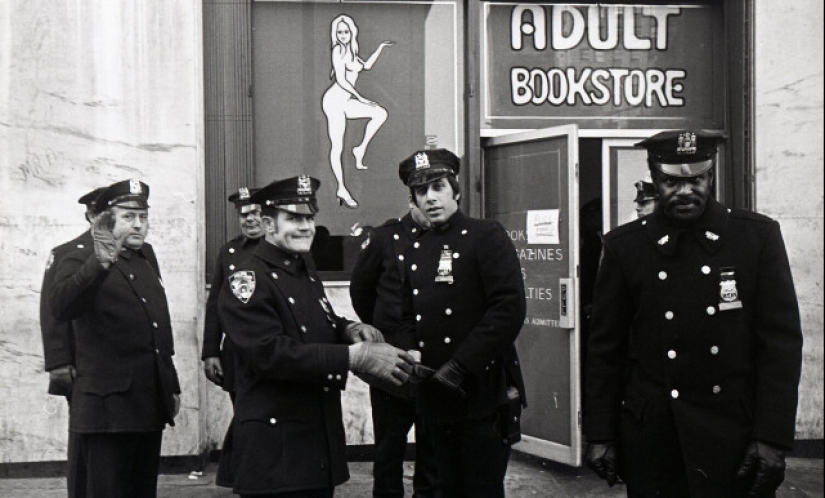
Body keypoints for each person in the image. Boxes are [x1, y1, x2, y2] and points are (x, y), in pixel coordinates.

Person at [584, 130, 803, 497]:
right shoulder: (626, 246)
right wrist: (601, 434)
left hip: (733, 433)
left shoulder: (755, 237)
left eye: (696, 179)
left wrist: (772, 437)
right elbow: (606, 350)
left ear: (710, 176)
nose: (685, 191)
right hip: (655, 436)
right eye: (672, 181)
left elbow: (780, 346)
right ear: (655, 179)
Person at [217, 174, 419, 497]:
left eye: (309, 218)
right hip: (275, 452)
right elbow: (269, 353)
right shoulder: (247, 279)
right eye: (294, 219)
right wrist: (354, 357)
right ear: (268, 224)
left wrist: (349, 329)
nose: (306, 227)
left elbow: (315, 322)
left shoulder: (302, 267)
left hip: (313, 441)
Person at [396, 149, 527, 498]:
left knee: (480, 489)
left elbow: (508, 309)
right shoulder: (416, 249)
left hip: (480, 392)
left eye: (438, 187)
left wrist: (460, 366)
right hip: (434, 395)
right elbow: (407, 313)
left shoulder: (486, 235)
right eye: (421, 191)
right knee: (440, 488)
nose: (430, 197)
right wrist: (410, 350)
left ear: (456, 190)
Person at [49, 179, 182, 497]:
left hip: (147, 402)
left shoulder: (145, 256)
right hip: (107, 408)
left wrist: (170, 384)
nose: (138, 225)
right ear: (106, 221)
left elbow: (156, 328)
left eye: (143, 216)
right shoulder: (79, 258)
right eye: (128, 216)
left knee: (141, 490)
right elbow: (62, 306)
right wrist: (100, 262)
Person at [350, 201, 438, 498]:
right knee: (389, 448)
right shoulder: (385, 238)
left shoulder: (447, 236)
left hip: (433, 362)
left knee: (433, 448)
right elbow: (361, 291)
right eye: (422, 197)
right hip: (392, 362)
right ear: (411, 202)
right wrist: (385, 333)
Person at [39, 185, 105, 498]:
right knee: (83, 436)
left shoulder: (137, 253)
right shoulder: (67, 253)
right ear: (89, 215)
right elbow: (52, 313)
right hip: (81, 365)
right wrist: (59, 362)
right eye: (100, 213)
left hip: (117, 363)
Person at [202, 187, 264, 487]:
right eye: (244, 214)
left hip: (274, 350)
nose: (249, 219)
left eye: (255, 213)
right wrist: (210, 351)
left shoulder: (282, 246)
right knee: (245, 414)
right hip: (238, 354)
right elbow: (215, 303)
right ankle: (246, 479)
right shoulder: (230, 252)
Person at [321, 14, 393, 209]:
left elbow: (366, 66)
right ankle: (341, 188)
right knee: (337, 146)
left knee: (380, 113)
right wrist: (360, 97)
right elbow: (341, 80)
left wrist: (380, 48)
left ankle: (360, 149)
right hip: (334, 101)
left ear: (351, 32)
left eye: (346, 31)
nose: (343, 35)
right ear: (335, 34)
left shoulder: (352, 51)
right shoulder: (337, 50)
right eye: (339, 32)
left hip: (346, 100)